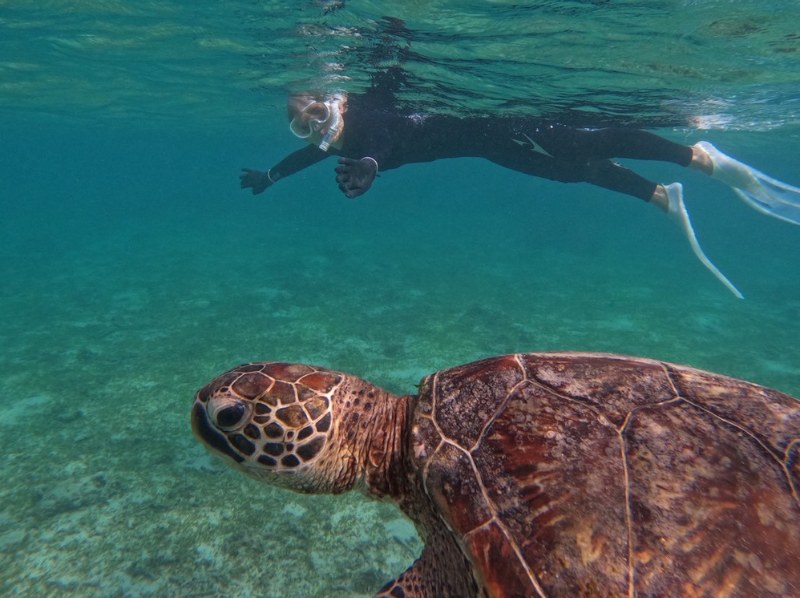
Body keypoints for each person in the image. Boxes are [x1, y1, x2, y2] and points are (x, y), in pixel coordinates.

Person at [240, 87, 800, 298]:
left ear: (336, 100)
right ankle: (660, 194)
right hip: (491, 145)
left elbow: (387, 135)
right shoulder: (329, 144)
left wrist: (370, 163)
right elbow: (306, 157)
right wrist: (271, 177)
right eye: (303, 125)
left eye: (318, 114)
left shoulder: (366, 114)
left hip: (499, 118)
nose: (316, 129)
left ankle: (700, 158)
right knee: (570, 172)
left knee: (586, 143)